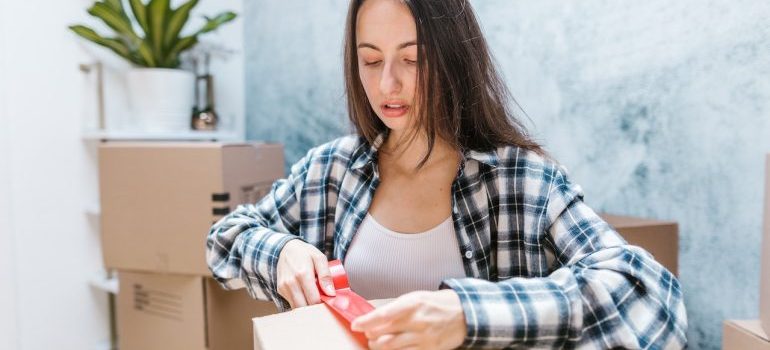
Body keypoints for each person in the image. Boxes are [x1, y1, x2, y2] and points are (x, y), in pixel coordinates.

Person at [206, 0, 688, 348]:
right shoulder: (331, 171)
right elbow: (225, 239)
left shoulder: (521, 182)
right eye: (370, 60)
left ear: (454, 59)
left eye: (411, 59)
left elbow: (648, 296)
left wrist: (465, 315)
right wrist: (281, 251)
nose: (386, 83)